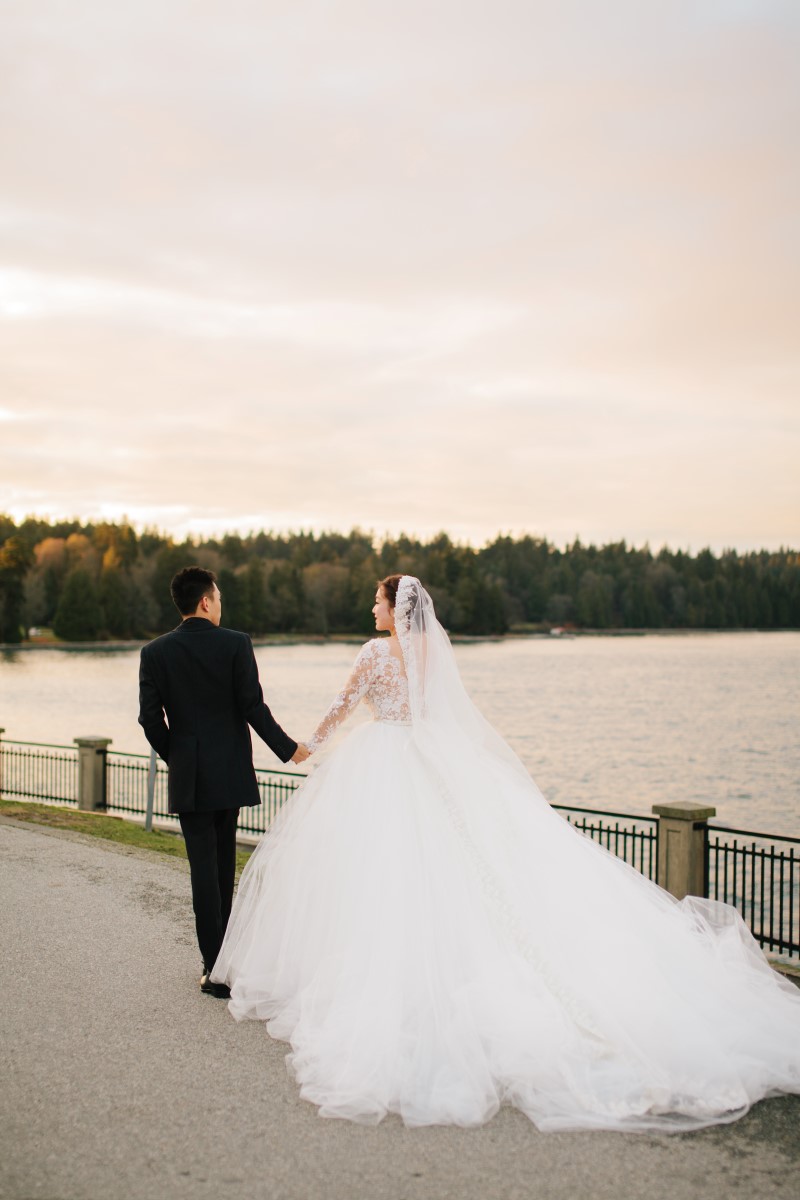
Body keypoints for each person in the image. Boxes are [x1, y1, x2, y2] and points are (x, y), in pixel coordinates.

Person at [211, 574, 800, 1131]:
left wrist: (306, 747)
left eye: (377, 600)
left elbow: (344, 705)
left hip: (383, 761)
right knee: (455, 868)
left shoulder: (374, 653)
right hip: (430, 760)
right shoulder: (433, 656)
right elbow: (443, 713)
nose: (372, 609)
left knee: (382, 875)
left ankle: (386, 975)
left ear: (397, 608)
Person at [138, 566, 309, 999]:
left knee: (203, 872)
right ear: (206, 602)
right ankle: (226, 961)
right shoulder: (236, 644)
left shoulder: (154, 652)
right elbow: (253, 706)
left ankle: (213, 968)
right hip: (230, 770)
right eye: (218, 597)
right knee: (224, 867)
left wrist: (178, 756)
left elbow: (149, 720)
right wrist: (290, 749)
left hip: (190, 776)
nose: (219, 604)